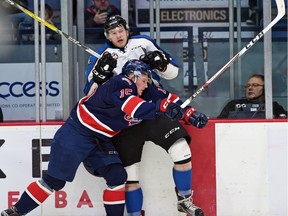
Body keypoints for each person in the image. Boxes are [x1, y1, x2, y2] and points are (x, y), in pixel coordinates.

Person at [0, 61, 184, 216]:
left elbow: (164, 100)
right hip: (77, 133)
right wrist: (162, 108)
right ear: (133, 76)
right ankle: (15, 212)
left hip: (100, 139)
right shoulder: (122, 82)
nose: (145, 86)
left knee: (117, 176)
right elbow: (135, 108)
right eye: (144, 81)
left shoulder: (136, 90)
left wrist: (187, 113)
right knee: (54, 182)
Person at [84, 15, 208, 216]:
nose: (118, 35)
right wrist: (99, 77)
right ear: (107, 36)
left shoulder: (143, 43)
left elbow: (172, 74)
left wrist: (161, 65)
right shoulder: (100, 56)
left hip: (152, 108)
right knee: (129, 176)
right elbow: (89, 95)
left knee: (181, 150)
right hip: (122, 119)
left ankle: (184, 199)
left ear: (127, 30)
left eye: (121, 31)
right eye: (113, 33)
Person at [217, 74, 287, 118]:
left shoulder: (273, 107)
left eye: (255, 85)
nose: (250, 88)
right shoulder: (233, 105)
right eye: (248, 86)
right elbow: (218, 124)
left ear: (265, 88)